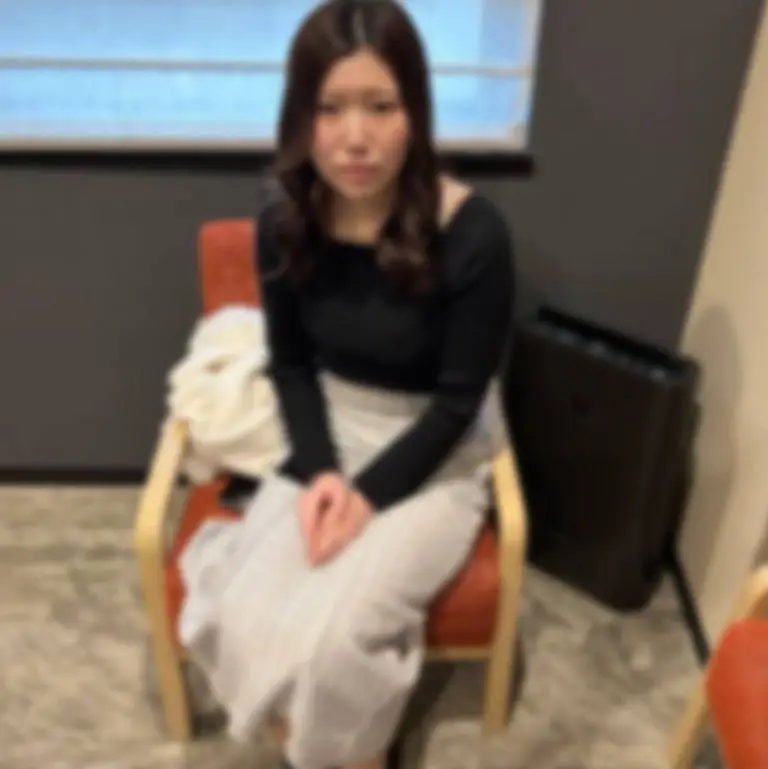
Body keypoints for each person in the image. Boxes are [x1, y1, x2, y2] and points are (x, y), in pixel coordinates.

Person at [177, 1, 515, 768]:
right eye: (329, 109)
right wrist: (325, 472)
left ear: (414, 112)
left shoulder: (474, 234)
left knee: (335, 643)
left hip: (434, 450)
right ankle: (315, 747)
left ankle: (355, 755)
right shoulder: (283, 221)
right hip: (331, 428)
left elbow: (457, 404)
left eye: (380, 106)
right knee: (248, 614)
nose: (354, 137)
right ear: (300, 117)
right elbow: (292, 365)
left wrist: (365, 499)